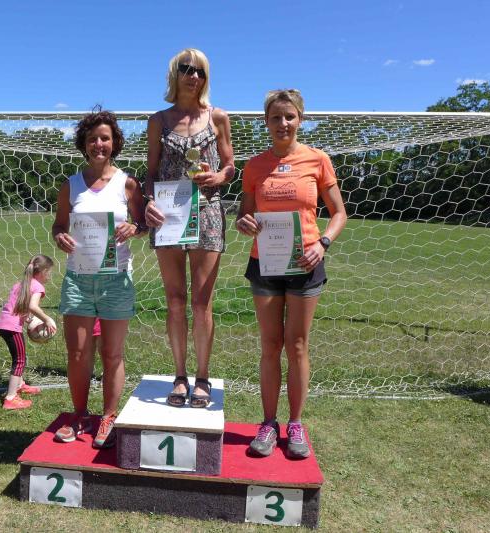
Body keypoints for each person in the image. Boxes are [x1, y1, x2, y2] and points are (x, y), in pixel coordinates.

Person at [235, 89, 347, 459]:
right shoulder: (254, 166)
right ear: (266, 122)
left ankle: (295, 423)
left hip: (305, 264)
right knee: (270, 345)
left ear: (300, 119)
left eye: (289, 116)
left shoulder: (317, 159)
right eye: (275, 117)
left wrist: (323, 243)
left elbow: (339, 213)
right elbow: (244, 214)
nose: (282, 123)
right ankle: (269, 423)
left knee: (297, 345)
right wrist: (244, 223)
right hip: (265, 264)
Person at [144, 48, 235, 408]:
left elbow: (230, 165)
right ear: (174, 74)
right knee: (175, 300)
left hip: (208, 212)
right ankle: (179, 376)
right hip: (169, 216)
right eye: (186, 69)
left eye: (199, 71)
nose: (193, 76)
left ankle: (203, 377)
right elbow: (151, 173)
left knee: (201, 302)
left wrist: (220, 177)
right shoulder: (158, 121)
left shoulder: (218, 117)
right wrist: (149, 201)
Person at [52, 109, 147, 448]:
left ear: (114, 143)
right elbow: (59, 225)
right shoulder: (71, 185)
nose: (99, 144)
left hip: (116, 280)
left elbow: (143, 223)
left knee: (112, 354)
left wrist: (134, 227)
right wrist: (59, 236)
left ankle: (108, 416)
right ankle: (80, 416)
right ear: (84, 143)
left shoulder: (128, 184)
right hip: (78, 279)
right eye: (92, 139)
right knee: (78, 353)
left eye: (105, 138)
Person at [0, 254, 57, 410]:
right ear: (42, 272)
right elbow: (32, 307)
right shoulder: (38, 287)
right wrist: (46, 319)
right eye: (49, 272)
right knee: (20, 360)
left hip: (3, 325)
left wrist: (30, 321)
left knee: (18, 356)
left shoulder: (20, 284)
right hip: (11, 327)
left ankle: (20, 384)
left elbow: (18, 307)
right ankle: (10, 398)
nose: (50, 275)